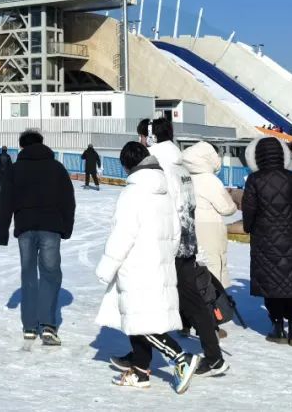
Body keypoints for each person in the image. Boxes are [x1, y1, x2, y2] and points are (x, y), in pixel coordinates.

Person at [97, 140, 201, 394]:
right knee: (137, 317)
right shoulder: (163, 190)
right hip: (159, 262)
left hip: (137, 265)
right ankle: (141, 370)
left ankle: (180, 357)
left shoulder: (133, 193)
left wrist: (106, 267)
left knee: (143, 324)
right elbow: (176, 231)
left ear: (128, 166)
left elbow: (123, 234)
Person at [144, 118, 227, 376]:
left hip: (168, 243)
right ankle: (214, 356)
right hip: (186, 242)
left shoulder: (158, 165)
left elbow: (164, 207)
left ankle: (142, 359)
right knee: (191, 299)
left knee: (147, 298)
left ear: (150, 138)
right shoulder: (179, 163)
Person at [0, 130, 75, 345]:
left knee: (28, 274)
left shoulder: (15, 169)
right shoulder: (56, 167)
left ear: (21, 147)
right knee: (50, 273)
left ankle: (29, 326)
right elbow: (68, 200)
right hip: (51, 227)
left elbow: (6, 200)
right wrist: (67, 227)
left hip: (25, 227)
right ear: (42, 144)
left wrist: (1, 232)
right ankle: (48, 325)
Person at [242, 136, 292, 345]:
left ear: (258, 157)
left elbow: (249, 210)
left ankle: (277, 327)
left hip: (265, 241)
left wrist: (250, 227)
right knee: (291, 284)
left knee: (271, 284)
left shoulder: (255, 180)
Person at [181, 142, 238, 290]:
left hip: (190, 231)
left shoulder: (184, 177)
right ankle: (216, 309)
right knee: (213, 272)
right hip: (210, 232)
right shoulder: (210, 180)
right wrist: (233, 201)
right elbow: (227, 208)